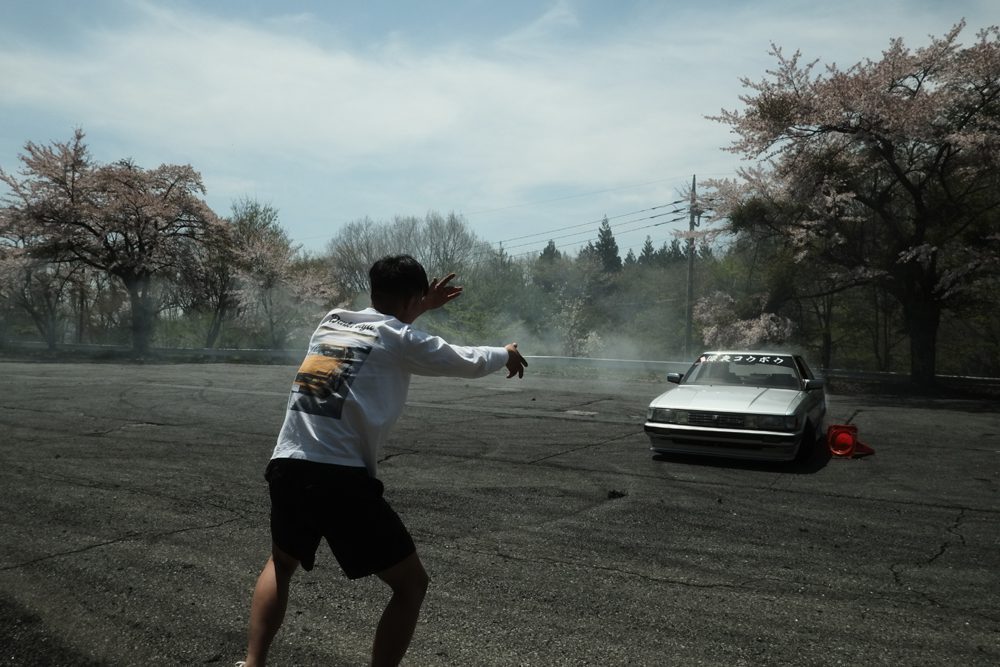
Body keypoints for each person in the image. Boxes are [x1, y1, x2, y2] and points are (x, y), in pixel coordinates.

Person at [240, 254, 528, 667]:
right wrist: (506, 352)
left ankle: (252, 664)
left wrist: (419, 305)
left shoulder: (332, 320)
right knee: (411, 585)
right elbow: (464, 360)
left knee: (281, 563)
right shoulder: (401, 339)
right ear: (412, 297)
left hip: (287, 460)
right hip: (338, 477)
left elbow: (384, 327)